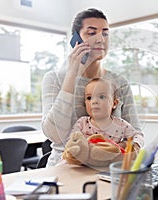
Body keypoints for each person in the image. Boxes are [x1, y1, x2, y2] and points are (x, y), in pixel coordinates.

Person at [41, 8, 143, 166]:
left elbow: (136, 135)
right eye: (91, 33)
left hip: (108, 167)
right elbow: (54, 134)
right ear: (76, 39)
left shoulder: (119, 82)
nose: (100, 39)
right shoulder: (54, 79)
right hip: (65, 167)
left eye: (105, 33)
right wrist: (71, 74)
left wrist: (109, 150)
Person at [70, 78, 143, 151]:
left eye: (101, 97)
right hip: (86, 159)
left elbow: (137, 135)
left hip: (111, 160)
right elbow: (71, 142)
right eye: (89, 98)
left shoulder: (121, 125)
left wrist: (134, 145)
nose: (94, 101)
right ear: (85, 102)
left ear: (114, 104)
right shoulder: (82, 123)